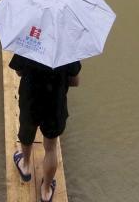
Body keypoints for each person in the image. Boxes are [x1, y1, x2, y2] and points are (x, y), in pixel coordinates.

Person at [9, 54, 81, 202]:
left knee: (26, 134)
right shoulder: (68, 51)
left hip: (30, 101)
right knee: (51, 147)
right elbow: (75, 82)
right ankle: (46, 190)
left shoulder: (30, 44)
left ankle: (25, 165)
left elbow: (19, 71)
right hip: (55, 105)